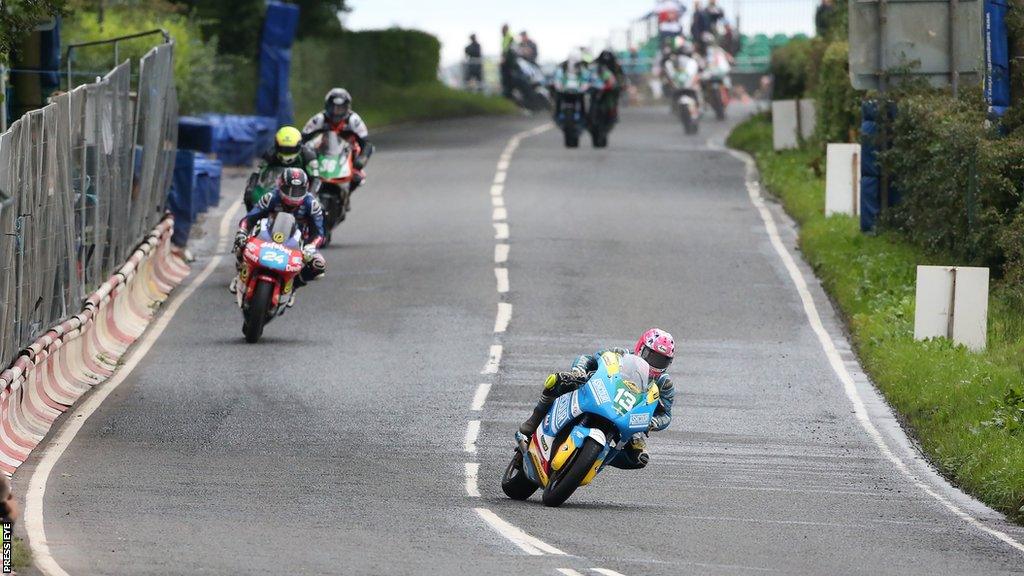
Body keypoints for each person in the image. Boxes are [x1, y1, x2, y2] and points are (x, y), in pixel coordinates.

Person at [518, 329, 677, 469]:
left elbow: (666, 415)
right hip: (599, 393)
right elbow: (590, 359)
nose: (653, 364)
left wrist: (653, 423)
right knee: (558, 381)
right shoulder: (620, 354)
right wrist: (578, 371)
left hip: (628, 415)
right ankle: (533, 423)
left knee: (638, 459)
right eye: (651, 356)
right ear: (641, 348)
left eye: (661, 361)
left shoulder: (665, 384)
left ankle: (594, 460)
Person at [230, 167, 327, 295]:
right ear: (280, 186)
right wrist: (242, 232)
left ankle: (293, 286)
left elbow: (319, 233)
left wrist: (310, 247)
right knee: (240, 242)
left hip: (297, 244)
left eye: (298, 191)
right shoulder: (271, 197)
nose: (293, 195)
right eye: (289, 190)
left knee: (319, 266)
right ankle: (241, 273)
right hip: (267, 237)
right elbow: (249, 219)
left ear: (306, 189)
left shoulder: (312, 204)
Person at [301, 88, 372, 196]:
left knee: (357, 177)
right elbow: (302, 138)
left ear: (347, 108)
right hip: (323, 152)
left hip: (346, 153)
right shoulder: (319, 119)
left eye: (340, 108)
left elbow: (366, 143)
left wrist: (362, 159)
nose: (336, 111)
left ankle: (346, 194)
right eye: (333, 107)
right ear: (327, 106)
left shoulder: (354, 120)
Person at [244, 126, 320, 211]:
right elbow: (257, 172)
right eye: (283, 148)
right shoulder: (270, 154)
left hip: (300, 192)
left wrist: (311, 194)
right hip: (274, 187)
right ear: (276, 145)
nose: (286, 153)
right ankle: (252, 219)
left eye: (290, 149)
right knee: (249, 196)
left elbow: (316, 178)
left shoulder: (308, 155)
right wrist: (250, 188)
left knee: (317, 208)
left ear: (299, 145)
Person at [591, 50, 625, 126]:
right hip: (598, 87)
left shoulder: (616, 66)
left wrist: (620, 85)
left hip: (611, 88)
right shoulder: (595, 66)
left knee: (613, 100)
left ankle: (613, 113)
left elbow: (621, 78)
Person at [500, 24, 516, 97]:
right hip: (508, 63)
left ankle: (508, 96)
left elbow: (507, 51)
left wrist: (504, 59)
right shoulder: (507, 37)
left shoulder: (509, 37)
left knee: (508, 82)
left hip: (508, 64)